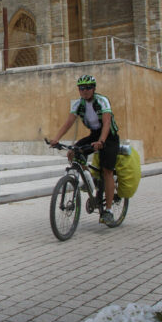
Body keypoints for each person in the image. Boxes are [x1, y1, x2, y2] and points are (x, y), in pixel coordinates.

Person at [49, 75, 120, 224]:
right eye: (81, 88)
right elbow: (68, 123)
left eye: (88, 88)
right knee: (72, 153)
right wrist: (56, 139)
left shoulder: (102, 100)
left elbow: (107, 122)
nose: (84, 91)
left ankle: (108, 211)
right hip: (94, 135)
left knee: (107, 171)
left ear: (93, 89)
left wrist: (101, 141)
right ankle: (90, 180)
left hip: (109, 136)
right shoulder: (78, 104)